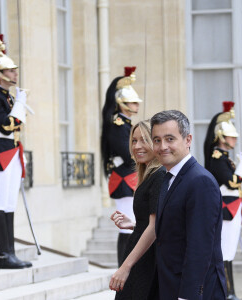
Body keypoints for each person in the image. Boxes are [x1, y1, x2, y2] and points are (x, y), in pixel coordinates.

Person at [151, 110, 227, 300]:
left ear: (188, 140)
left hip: (194, 292)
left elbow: (199, 247)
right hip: (171, 287)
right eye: (157, 140)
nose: (163, 146)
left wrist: (188, 296)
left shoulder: (200, 181)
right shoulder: (168, 177)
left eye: (170, 139)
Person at [0, 34, 32, 269]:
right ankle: (2, 255)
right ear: (0, 74)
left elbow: (16, 125)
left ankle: (10, 252)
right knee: (0, 202)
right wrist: (20, 104)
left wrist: (18, 103)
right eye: (11, 70)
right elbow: (6, 124)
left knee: (10, 204)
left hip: (12, 153)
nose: (15, 74)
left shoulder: (7, 96)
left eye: (15, 70)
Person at [109, 120, 165, 299]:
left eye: (144, 140)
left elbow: (155, 227)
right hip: (142, 258)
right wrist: (135, 225)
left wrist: (125, 267)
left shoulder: (159, 175)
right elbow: (153, 223)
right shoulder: (149, 174)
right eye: (134, 141)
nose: (137, 146)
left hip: (146, 262)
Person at [204, 102, 242, 300]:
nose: (235, 140)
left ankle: (230, 291)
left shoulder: (225, 158)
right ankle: (226, 292)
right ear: (222, 137)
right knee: (225, 252)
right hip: (226, 208)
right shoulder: (217, 158)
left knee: (229, 252)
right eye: (232, 137)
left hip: (233, 208)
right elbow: (232, 182)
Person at [101, 66, 142, 266]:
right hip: (124, 178)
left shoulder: (125, 123)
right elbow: (128, 155)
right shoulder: (118, 124)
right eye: (133, 102)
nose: (136, 105)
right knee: (126, 226)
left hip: (129, 177)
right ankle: (124, 267)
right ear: (122, 104)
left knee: (130, 224)